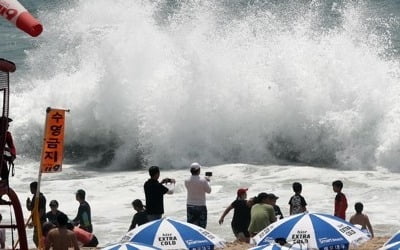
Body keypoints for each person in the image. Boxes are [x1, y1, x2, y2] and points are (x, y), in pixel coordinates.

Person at [184, 162, 211, 229]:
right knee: (202, 228)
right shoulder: (203, 181)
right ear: (198, 170)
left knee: (191, 227)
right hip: (201, 205)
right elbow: (209, 191)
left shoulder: (186, 180)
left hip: (190, 205)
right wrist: (207, 181)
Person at [0, 117, 16, 204]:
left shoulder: (7, 134)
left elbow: (12, 147)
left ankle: (0, 196)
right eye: (7, 123)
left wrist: (12, 155)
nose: (8, 125)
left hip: (2, 160)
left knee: (5, 177)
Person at [26, 181, 47, 247]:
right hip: (36, 221)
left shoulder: (41, 197)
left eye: (31, 188)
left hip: (41, 221)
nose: (30, 190)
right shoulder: (34, 197)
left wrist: (34, 221)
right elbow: (30, 209)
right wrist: (28, 203)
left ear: (35, 188)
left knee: (38, 239)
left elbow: (41, 211)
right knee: (36, 239)